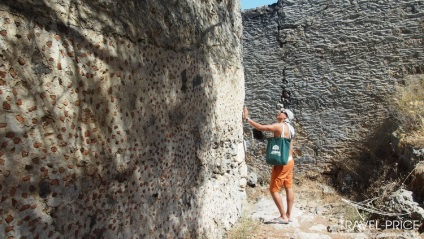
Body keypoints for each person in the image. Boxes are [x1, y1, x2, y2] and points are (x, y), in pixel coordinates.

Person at [243, 106, 295, 224]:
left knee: (273, 189)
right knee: (288, 186)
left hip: (282, 163)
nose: (279, 112)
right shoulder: (291, 128)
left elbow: (261, 127)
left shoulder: (280, 126)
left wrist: (247, 118)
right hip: (290, 161)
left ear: (285, 116)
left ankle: (283, 217)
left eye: (282, 112)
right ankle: (289, 215)